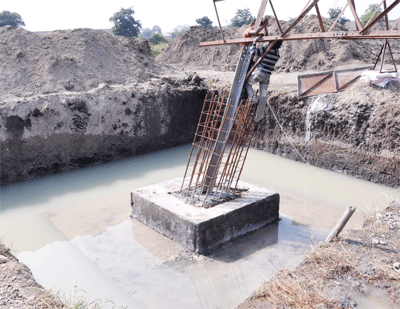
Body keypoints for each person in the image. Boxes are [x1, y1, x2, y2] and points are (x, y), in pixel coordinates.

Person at [243, 21, 282, 122]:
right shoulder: (277, 54)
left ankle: (253, 98)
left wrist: (255, 42)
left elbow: (253, 52)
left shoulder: (267, 49)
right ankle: (258, 117)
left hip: (260, 73)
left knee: (247, 83)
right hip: (267, 76)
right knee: (263, 96)